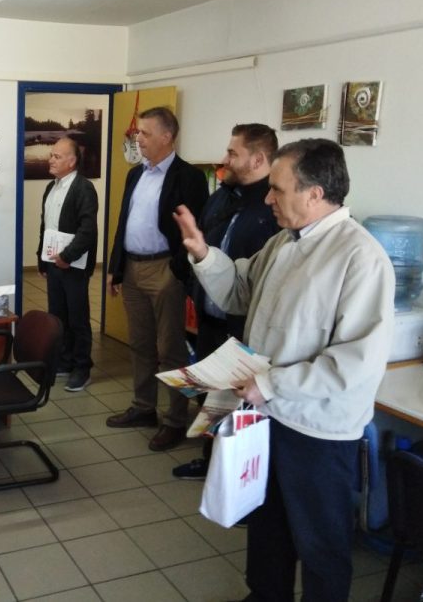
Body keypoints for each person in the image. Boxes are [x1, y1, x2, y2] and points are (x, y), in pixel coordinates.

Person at [174, 138, 394, 602]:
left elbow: (355, 360)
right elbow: (239, 289)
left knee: (320, 543)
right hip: (268, 414)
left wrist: (270, 383)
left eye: (277, 188)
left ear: (315, 194)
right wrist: (203, 254)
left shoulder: (361, 257)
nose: (268, 198)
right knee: (268, 524)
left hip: (316, 430)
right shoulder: (283, 242)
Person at [172, 123, 280, 480]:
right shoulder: (222, 198)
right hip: (210, 320)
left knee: (239, 406)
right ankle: (210, 461)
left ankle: (235, 477)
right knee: (210, 398)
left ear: (258, 159)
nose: (225, 159)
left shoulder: (273, 210)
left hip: (243, 330)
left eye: (233, 153)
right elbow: (203, 247)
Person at [105, 106, 209, 451]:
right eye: (138, 132)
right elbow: (123, 223)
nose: (138, 139)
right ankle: (143, 407)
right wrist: (116, 267)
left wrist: (178, 270)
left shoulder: (189, 177)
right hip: (133, 268)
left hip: (165, 269)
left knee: (171, 349)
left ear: (167, 136)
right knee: (140, 343)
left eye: (145, 133)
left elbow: (196, 230)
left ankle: (176, 419)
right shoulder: (135, 174)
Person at [37, 137, 98, 391]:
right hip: (53, 263)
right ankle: (64, 360)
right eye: (51, 155)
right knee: (58, 315)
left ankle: (82, 367)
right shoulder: (51, 188)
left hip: (73, 265)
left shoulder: (83, 188)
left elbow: (88, 230)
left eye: (57, 156)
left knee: (78, 318)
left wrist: (67, 256)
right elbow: (46, 226)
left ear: (72, 162)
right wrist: (42, 258)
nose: (51, 159)